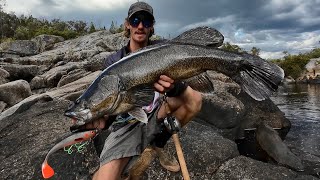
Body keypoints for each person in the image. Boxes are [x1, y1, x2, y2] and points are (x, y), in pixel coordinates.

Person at [85, 2, 203, 180]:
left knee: (195, 99)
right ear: (127, 24)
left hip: (157, 110)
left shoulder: (162, 49)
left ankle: (158, 143)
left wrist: (171, 87)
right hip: (126, 122)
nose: (140, 26)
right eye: (135, 20)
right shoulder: (113, 62)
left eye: (146, 21)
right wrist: (104, 119)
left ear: (152, 26)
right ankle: (128, 154)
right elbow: (110, 104)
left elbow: (181, 83)